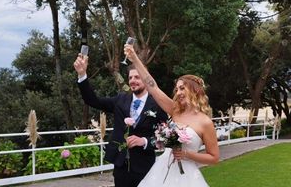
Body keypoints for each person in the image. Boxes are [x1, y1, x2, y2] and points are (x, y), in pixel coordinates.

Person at [124, 45, 219, 187]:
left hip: (186, 177)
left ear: (195, 91)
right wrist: (135, 59)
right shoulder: (174, 111)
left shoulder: (205, 122)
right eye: (177, 89)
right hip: (161, 172)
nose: (178, 92)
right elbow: (152, 86)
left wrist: (186, 155)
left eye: (182, 88)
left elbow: (214, 157)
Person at [73, 53, 168, 187]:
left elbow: (165, 138)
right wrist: (82, 75)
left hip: (145, 167)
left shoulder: (158, 104)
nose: (133, 80)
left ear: (147, 79)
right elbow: (92, 100)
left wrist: (144, 141)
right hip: (121, 165)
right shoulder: (120, 100)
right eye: (130, 77)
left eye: (137, 77)